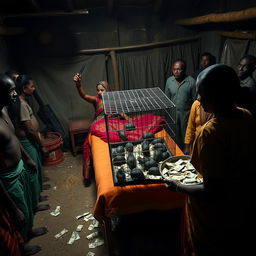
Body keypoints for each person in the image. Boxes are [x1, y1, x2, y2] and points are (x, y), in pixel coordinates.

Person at [165, 64, 256, 255]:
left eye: (202, 94)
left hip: (215, 214)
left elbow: (213, 189)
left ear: (217, 96)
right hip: (242, 203)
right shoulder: (247, 116)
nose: (198, 99)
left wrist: (178, 186)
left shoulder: (211, 132)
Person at [0, 74, 45, 254]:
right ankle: (23, 244)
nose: (14, 94)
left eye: (14, 89)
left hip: (20, 167)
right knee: (19, 211)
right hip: (8, 176)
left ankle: (29, 231)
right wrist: (10, 206)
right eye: (10, 91)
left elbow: (14, 138)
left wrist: (27, 158)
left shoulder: (4, 110)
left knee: (27, 205)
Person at [8, 74, 50, 212]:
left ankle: (37, 196)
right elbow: (29, 128)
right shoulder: (21, 104)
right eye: (31, 86)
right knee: (32, 172)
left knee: (36, 167)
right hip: (27, 141)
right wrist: (42, 145)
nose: (34, 89)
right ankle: (34, 205)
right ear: (24, 88)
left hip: (31, 140)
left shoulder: (23, 102)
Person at [73, 73, 109, 186]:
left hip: (111, 123)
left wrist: (128, 120)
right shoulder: (96, 100)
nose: (99, 93)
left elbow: (121, 113)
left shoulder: (113, 100)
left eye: (102, 90)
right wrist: (78, 85)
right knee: (87, 146)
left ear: (108, 90)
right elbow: (84, 96)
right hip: (98, 125)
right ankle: (87, 176)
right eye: (98, 90)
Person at [165, 59, 196, 150]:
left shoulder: (191, 82)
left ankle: (186, 154)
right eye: (174, 69)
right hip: (173, 114)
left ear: (184, 69)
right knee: (174, 135)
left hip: (186, 115)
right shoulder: (169, 81)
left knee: (185, 136)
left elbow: (195, 101)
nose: (176, 72)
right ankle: (175, 153)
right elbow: (166, 99)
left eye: (179, 69)